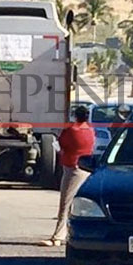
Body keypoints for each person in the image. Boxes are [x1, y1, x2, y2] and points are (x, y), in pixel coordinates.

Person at [42, 105, 95, 247]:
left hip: (72, 168)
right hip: (86, 169)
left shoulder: (71, 130)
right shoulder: (90, 130)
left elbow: (60, 146)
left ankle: (58, 236)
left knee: (66, 202)